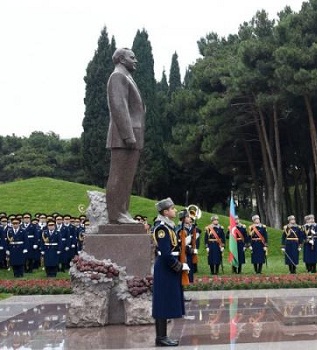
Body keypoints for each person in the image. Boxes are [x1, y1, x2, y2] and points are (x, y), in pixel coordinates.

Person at [106, 47, 146, 224]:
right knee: (119, 176)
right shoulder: (118, 76)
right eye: (132, 57)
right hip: (124, 137)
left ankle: (123, 211)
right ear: (121, 59)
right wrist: (128, 135)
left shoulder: (126, 76)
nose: (136, 60)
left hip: (131, 136)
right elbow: (119, 106)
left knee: (127, 178)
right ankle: (116, 214)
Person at [151, 198, 186, 347]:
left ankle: (163, 336)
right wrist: (177, 265)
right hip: (166, 267)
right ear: (165, 212)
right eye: (172, 209)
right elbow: (165, 253)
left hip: (168, 267)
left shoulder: (168, 227)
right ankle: (161, 337)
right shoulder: (162, 229)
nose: (175, 211)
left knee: (165, 301)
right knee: (162, 302)